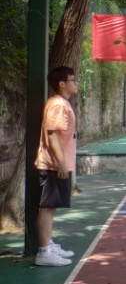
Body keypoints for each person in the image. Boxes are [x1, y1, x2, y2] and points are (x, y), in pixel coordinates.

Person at [33, 66, 79, 266]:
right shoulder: (58, 104)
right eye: (73, 80)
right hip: (53, 164)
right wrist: (60, 161)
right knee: (47, 207)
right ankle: (44, 252)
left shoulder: (61, 103)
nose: (76, 83)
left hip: (57, 163)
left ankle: (48, 245)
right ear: (62, 84)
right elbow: (52, 135)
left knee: (51, 207)